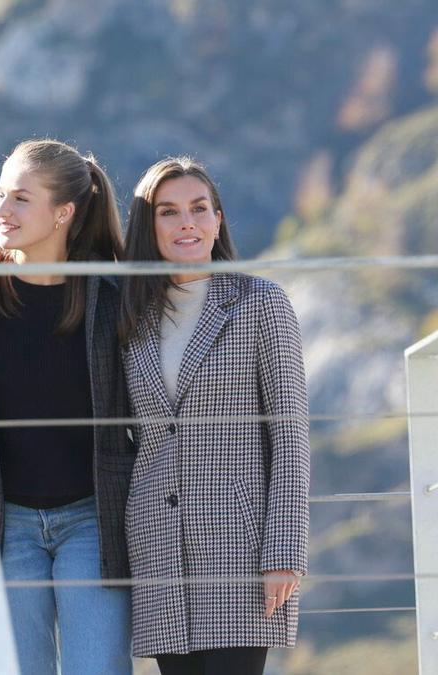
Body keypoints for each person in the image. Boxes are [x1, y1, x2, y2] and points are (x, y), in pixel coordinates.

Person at [118, 157, 309, 675]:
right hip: (158, 547)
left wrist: (284, 551)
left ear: (218, 220)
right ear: (148, 226)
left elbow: (291, 435)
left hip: (240, 551)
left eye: (200, 209)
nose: (187, 223)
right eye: (169, 212)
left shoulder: (260, 303)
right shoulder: (133, 318)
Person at [0, 139, 135, 674]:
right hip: (4, 526)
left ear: (64, 213)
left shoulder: (111, 299)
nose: (2, 212)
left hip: (91, 522)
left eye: (20, 199)